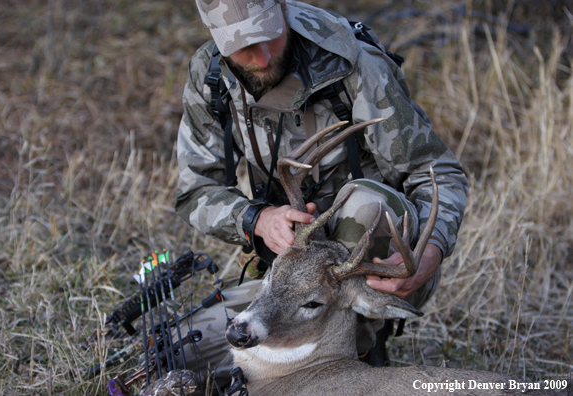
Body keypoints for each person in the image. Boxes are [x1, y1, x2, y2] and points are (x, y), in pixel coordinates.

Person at [174, 0, 469, 385]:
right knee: (185, 349)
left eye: (269, 36)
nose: (262, 58)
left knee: (364, 201)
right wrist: (257, 220)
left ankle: (356, 351)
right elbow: (194, 190)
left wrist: (432, 251)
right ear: (214, 36)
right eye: (243, 46)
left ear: (281, 7)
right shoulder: (210, 76)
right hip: (292, 279)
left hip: (369, 269)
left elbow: (440, 174)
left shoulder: (353, 65)